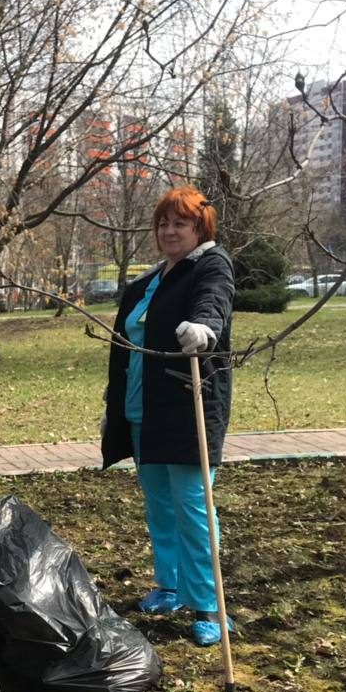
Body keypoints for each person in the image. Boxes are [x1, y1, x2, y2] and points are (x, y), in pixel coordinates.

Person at [101, 184, 235, 648]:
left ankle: (209, 605)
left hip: (188, 406)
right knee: (160, 507)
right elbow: (122, 354)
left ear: (200, 228)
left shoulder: (210, 265)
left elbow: (213, 303)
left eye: (181, 223)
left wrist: (205, 328)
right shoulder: (145, 282)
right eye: (163, 223)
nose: (170, 230)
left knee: (193, 508)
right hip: (142, 413)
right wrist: (114, 412)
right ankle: (169, 585)